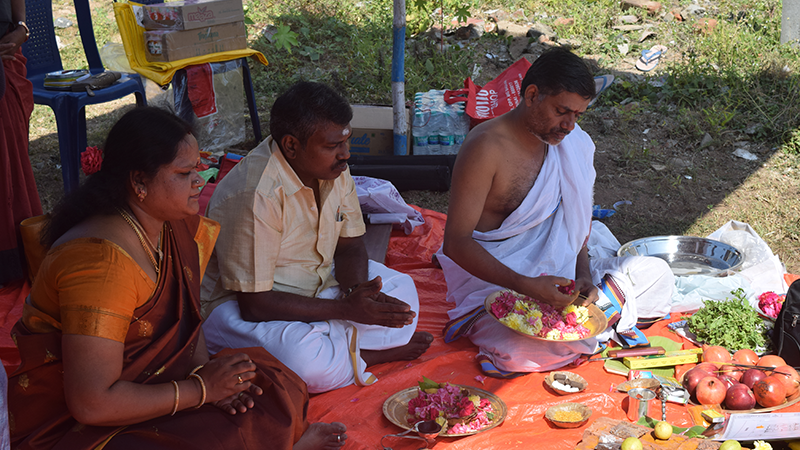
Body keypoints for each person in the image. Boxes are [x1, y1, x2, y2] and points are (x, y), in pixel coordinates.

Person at [7, 107, 346, 450]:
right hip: (78, 426)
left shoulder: (171, 224)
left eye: (199, 168)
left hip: (154, 385)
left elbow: (186, 322)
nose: (201, 181)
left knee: (269, 380)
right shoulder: (100, 262)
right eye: (185, 173)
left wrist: (203, 377)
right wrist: (201, 391)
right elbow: (91, 403)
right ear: (139, 181)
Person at [436, 48, 675, 376]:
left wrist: (584, 277)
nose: (569, 126)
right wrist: (527, 285)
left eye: (578, 115)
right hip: (500, 281)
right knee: (517, 349)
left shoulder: (573, 142)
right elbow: (456, 243)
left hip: (561, 278)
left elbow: (575, 224)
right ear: (532, 95)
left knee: (658, 275)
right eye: (562, 111)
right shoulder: (486, 148)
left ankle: (589, 316)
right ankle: (603, 319)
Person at [200, 81, 432, 394]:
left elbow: (349, 247)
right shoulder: (256, 194)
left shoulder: (333, 170)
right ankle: (365, 355)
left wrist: (356, 293)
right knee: (305, 364)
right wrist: (348, 310)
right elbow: (256, 305)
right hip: (240, 305)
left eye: (346, 141)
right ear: (292, 145)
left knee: (403, 294)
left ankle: (337, 344)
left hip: (316, 282)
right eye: (333, 146)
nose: (346, 154)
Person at [0, 0, 42, 286]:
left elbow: (18, 12)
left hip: (7, 58)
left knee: (10, 166)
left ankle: (11, 255)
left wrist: (22, 29)